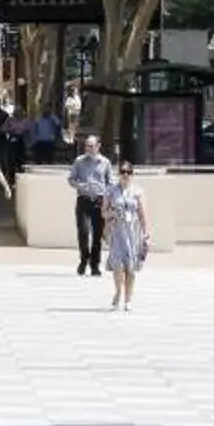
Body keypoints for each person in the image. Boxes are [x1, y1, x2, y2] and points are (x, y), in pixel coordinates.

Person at [102, 161, 151, 311]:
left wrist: (146, 233)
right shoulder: (111, 191)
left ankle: (128, 299)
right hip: (117, 232)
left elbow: (142, 214)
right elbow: (103, 213)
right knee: (118, 266)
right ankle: (118, 292)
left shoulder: (137, 192)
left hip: (133, 234)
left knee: (131, 268)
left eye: (128, 172)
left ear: (132, 174)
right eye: (122, 172)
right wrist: (112, 213)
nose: (125, 175)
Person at [67, 133, 115, 276]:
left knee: (97, 235)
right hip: (84, 200)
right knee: (83, 231)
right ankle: (84, 259)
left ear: (98, 146)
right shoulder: (79, 161)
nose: (89, 148)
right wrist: (80, 185)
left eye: (92, 146)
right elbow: (71, 179)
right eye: (87, 145)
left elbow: (111, 182)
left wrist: (107, 196)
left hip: (99, 202)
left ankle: (95, 264)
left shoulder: (105, 162)